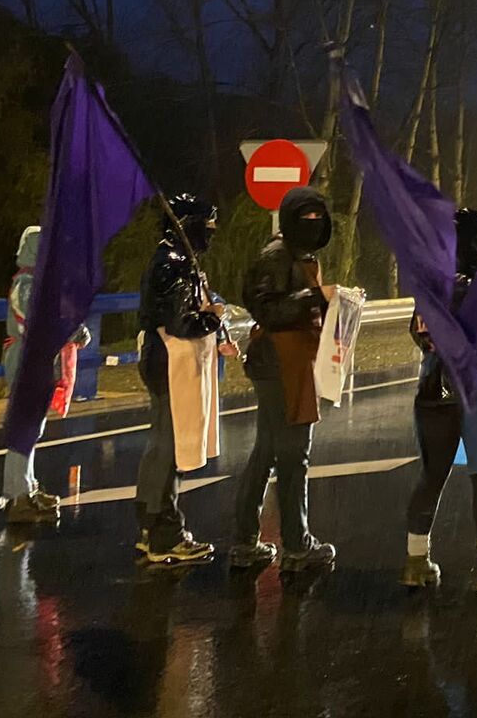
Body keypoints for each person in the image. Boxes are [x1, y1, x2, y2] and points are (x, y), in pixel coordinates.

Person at [401, 208, 477, 592]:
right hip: (476, 391)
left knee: (432, 475)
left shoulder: (429, 290)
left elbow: (418, 334)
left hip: (434, 388)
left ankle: (415, 561)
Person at [230, 186, 339, 572]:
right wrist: (315, 297)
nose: (313, 224)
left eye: (318, 217)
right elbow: (267, 309)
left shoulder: (297, 254)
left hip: (290, 362)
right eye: (305, 217)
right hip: (280, 365)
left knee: (267, 451)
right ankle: (296, 544)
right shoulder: (276, 256)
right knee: (293, 455)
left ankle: (245, 540)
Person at [135, 195, 234, 566]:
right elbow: (182, 322)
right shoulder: (173, 264)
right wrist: (214, 317)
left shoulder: (170, 259)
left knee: (161, 442)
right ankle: (165, 533)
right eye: (207, 227)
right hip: (169, 361)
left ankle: (151, 526)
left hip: (157, 357)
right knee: (169, 446)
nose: (211, 234)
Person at [0, 225, 90, 525]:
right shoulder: (26, 284)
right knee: (24, 426)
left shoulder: (38, 284)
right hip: (26, 358)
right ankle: (16, 495)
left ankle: (27, 486)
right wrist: (70, 329)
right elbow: (40, 321)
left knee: (32, 426)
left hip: (37, 358)